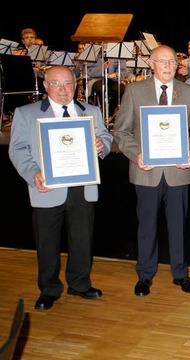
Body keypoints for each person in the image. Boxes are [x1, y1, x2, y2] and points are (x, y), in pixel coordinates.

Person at [8, 65, 113, 311]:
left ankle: (79, 283)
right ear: (45, 86)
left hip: (82, 186)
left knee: (82, 239)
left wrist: (102, 145)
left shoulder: (91, 111)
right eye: (56, 83)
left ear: (75, 85)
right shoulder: (26, 113)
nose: (63, 89)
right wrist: (32, 174)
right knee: (47, 241)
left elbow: (106, 138)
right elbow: (18, 149)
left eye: (68, 83)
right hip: (47, 187)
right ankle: (49, 289)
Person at [113, 45, 190, 297]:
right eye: (162, 61)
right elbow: (121, 132)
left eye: (172, 61)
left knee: (178, 225)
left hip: (178, 171)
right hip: (146, 170)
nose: (168, 66)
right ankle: (145, 275)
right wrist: (136, 154)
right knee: (147, 226)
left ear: (178, 65)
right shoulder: (134, 91)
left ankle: (180, 274)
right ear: (151, 64)